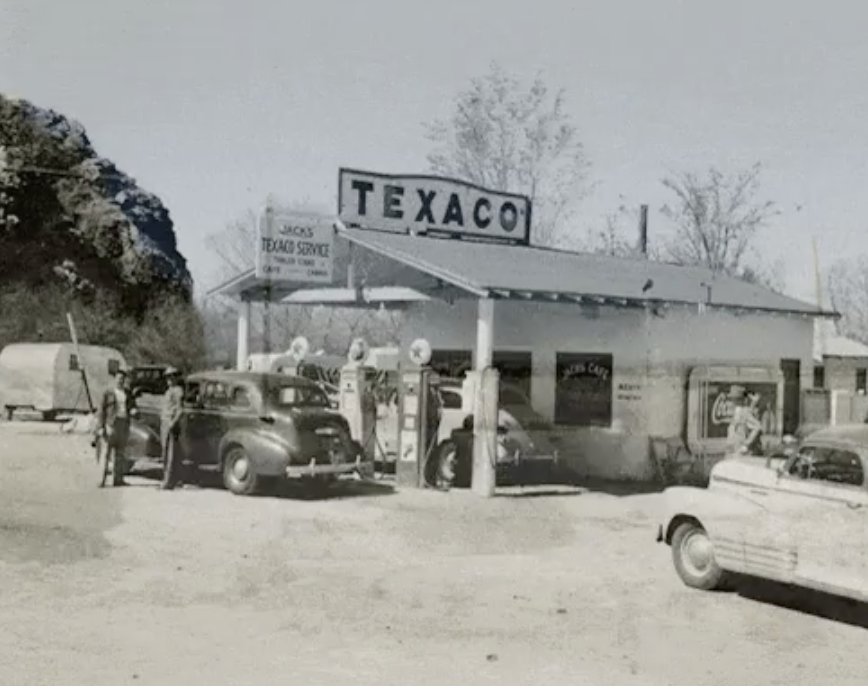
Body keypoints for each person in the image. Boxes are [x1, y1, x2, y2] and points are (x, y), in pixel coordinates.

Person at [95, 367, 139, 486]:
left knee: (120, 453)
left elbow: (132, 406)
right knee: (106, 452)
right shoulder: (108, 392)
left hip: (123, 423)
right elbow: (101, 410)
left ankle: (118, 479)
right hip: (111, 424)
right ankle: (101, 480)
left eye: (122, 379)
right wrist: (100, 427)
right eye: (118, 378)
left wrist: (133, 410)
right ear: (114, 379)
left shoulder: (127, 393)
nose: (120, 381)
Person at [160, 367, 185, 490]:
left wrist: (172, 423)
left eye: (171, 376)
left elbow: (180, 410)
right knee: (166, 452)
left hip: (170, 423)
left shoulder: (177, 391)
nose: (169, 379)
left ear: (176, 378)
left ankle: (168, 481)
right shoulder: (169, 390)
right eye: (167, 377)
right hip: (165, 422)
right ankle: (172, 479)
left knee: (169, 453)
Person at [725, 385, 763, 456]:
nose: (729, 402)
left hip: (740, 454)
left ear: (737, 401)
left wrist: (746, 445)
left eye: (731, 399)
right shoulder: (735, 413)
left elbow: (758, 427)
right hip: (732, 452)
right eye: (729, 399)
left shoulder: (744, 412)